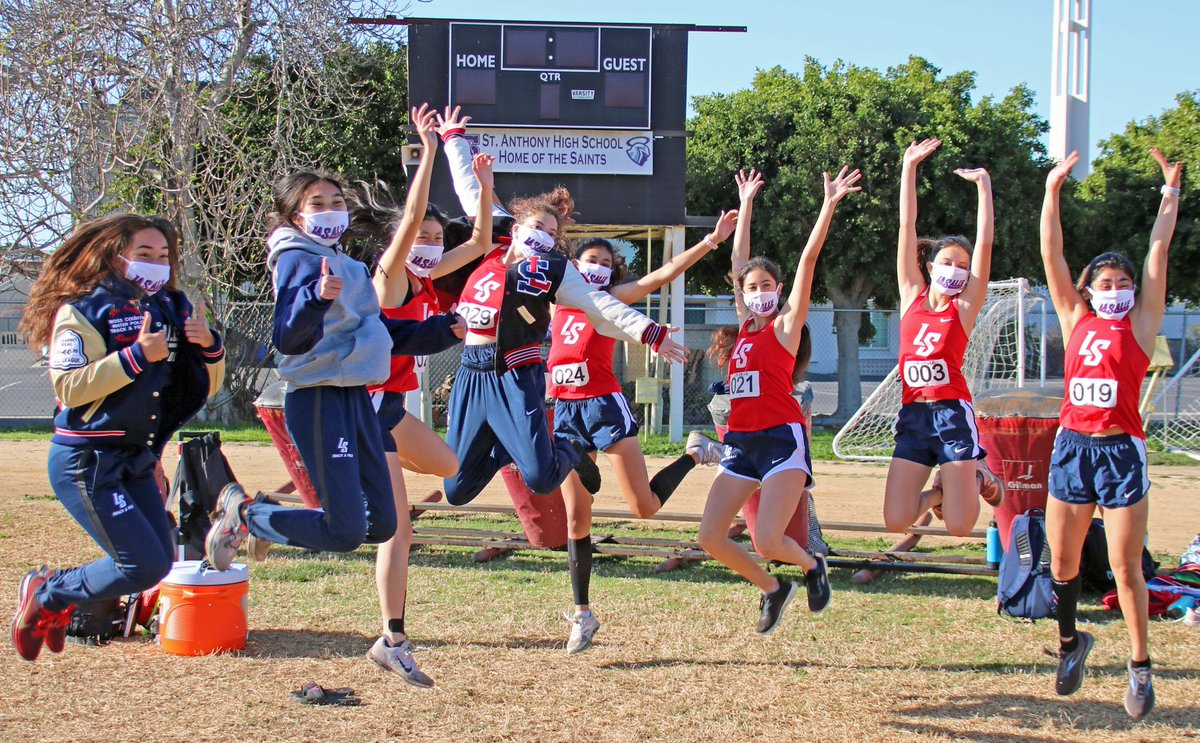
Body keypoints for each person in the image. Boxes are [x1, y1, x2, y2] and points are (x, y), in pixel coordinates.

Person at [203, 170, 464, 576]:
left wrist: (437, 332)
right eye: (317, 204)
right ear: (293, 217)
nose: (330, 211)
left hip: (356, 397)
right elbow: (288, 337)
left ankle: (258, 518)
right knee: (345, 531)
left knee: (382, 524)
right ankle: (249, 517)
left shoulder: (351, 267)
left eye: (336, 202)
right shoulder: (296, 258)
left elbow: (379, 333)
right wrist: (314, 299)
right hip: (319, 396)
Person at [434, 109, 690, 509]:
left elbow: (602, 304)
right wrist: (453, 139)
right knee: (456, 490)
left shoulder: (555, 270)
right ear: (516, 226)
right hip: (471, 370)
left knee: (540, 479)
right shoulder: (494, 237)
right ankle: (508, 447)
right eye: (537, 227)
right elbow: (470, 187)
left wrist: (650, 333)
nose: (544, 237)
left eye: (552, 234)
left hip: (514, 371)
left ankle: (568, 450)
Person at [11, 214, 226, 661]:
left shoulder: (172, 306)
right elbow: (69, 386)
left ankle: (55, 593)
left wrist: (209, 346)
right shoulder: (84, 308)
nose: (156, 264)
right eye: (143, 254)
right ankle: (49, 592)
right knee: (142, 564)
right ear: (113, 256)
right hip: (87, 459)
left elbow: (203, 385)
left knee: (159, 560)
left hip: (137, 457)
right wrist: (133, 356)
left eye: (164, 255)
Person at [345, 104, 497, 686]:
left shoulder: (431, 278)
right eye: (423, 237)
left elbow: (481, 238)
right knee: (399, 527)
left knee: (450, 466)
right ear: (401, 241)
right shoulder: (389, 277)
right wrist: (430, 150)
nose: (431, 244)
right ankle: (392, 636)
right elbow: (408, 221)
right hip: (366, 407)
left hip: (391, 409)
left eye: (437, 238)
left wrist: (482, 187)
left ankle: (356, 492)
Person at [549, 210, 738, 654]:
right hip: (564, 409)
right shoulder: (558, 300)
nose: (597, 266)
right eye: (589, 258)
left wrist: (710, 241)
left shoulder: (611, 297)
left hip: (603, 407)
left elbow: (664, 274)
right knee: (576, 517)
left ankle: (697, 454)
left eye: (605, 261)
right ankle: (582, 614)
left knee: (644, 508)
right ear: (573, 264)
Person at [1040, 148, 1181, 719]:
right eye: (1107, 280)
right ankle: (1072, 643)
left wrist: (1169, 195)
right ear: (1089, 287)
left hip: (1122, 451)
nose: (1118, 286)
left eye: (1124, 281)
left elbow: (1158, 251)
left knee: (1126, 568)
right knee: (1062, 564)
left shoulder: (1142, 324)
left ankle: (1141, 665)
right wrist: (1051, 190)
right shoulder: (1075, 318)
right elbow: (1051, 252)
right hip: (1073, 446)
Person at [696, 165, 860, 634]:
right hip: (742, 443)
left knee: (768, 539)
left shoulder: (786, 329)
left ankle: (811, 566)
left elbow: (808, 261)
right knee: (710, 536)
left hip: (782, 441)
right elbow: (739, 262)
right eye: (752, 288)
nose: (759, 292)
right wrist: (745, 203)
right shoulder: (744, 327)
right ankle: (774, 589)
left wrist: (828, 204)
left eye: (767, 285)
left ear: (779, 291)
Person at [883, 138, 1003, 539]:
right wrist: (909, 167)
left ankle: (977, 473)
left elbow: (985, 243)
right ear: (932, 266)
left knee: (959, 525)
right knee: (896, 520)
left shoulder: (963, 307)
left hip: (952, 413)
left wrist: (984, 187)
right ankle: (938, 493)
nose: (955, 270)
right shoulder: (911, 296)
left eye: (963, 266)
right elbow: (905, 226)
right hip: (914, 415)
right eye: (948, 262)